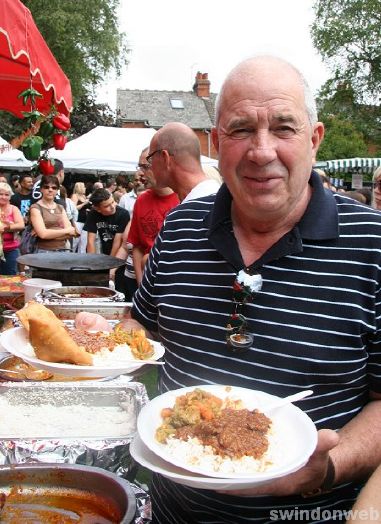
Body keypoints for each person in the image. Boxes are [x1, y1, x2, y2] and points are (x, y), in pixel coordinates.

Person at [127, 56, 381, 523]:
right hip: (171, 512)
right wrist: (97, 337)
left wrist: (327, 469)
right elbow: (140, 332)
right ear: (218, 144)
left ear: (314, 139)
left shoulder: (375, 245)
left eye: (284, 128)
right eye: (242, 130)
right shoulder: (180, 228)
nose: (262, 151)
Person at [127, 147, 179, 285]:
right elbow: (137, 246)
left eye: (145, 167)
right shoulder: (141, 200)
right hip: (148, 281)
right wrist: (141, 283)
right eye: (140, 167)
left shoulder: (183, 199)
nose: (140, 173)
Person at [147, 122, 221, 202]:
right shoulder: (224, 201)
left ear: (165, 158)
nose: (150, 166)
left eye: (151, 158)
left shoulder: (189, 211)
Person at [29, 175, 77, 253]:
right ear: (41, 189)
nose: (50, 190)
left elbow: (71, 233)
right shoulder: (35, 208)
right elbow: (43, 234)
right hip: (43, 251)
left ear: (57, 190)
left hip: (62, 250)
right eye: (46, 187)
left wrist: (49, 233)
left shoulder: (60, 207)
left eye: (54, 188)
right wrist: (65, 231)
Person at [84, 188, 130, 256]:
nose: (112, 207)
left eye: (112, 202)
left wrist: (110, 263)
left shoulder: (123, 214)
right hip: (104, 249)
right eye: (107, 206)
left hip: (120, 254)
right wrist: (92, 262)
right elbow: (90, 241)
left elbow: (117, 242)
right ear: (98, 209)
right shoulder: (93, 214)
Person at [0, 182, 24, 274]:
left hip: (10, 249)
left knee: (10, 277)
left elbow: (21, 225)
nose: (3, 197)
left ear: (10, 196)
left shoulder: (14, 209)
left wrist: (6, 227)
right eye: (1, 194)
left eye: (6, 194)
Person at [70, 182, 91, 253]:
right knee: (75, 242)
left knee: (83, 242)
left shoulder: (84, 197)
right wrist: (84, 203)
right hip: (77, 221)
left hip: (85, 221)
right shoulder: (75, 196)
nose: (85, 188)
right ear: (80, 188)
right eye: (84, 187)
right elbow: (74, 208)